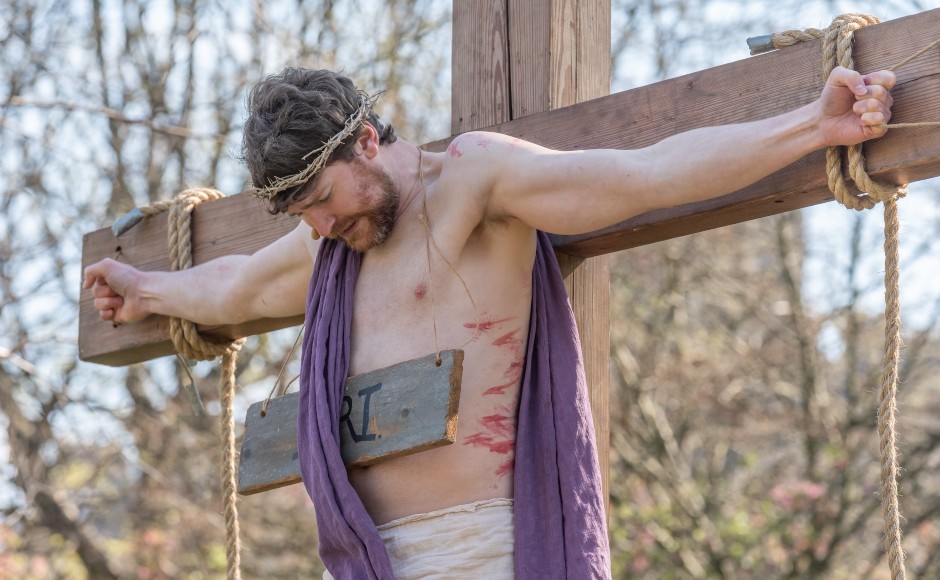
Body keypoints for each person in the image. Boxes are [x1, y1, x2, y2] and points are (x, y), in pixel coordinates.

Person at [83, 66, 896, 578]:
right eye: (306, 215)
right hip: (364, 561)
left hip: (493, 551)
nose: (321, 228)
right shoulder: (331, 247)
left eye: (324, 202)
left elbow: (646, 175)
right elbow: (233, 291)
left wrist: (809, 126)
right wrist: (144, 291)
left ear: (367, 141)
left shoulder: (476, 182)